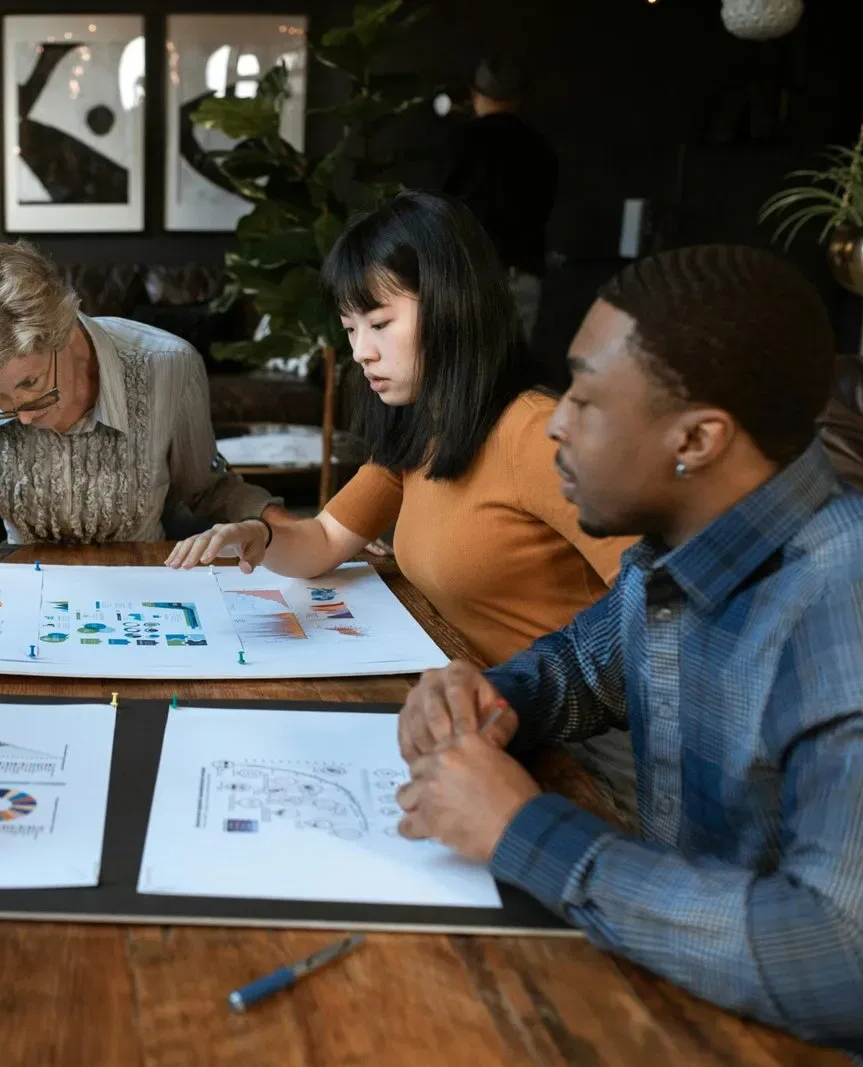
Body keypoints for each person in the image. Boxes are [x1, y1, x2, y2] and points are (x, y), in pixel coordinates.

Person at [394, 245, 863, 1056]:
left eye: (585, 396)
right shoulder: (676, 548)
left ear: (697, 438)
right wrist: (489, 696)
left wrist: (522, 828)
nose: (555, 421)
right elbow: (581, 668)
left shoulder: (846, 600)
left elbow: (842, 958)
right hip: (673, 987)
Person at [169, 192, 637, 809]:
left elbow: (659, 605)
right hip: (475, 708)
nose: (361, 350)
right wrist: (258, 533)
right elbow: (326, 541)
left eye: (380, 324)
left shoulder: (533, 431)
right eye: (350, 328)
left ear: (452, 306)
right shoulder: (423, 428)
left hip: (582, 742)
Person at [0, 241, 279, 544]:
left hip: (145, 594)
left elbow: (207, 488)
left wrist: (282, 526)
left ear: (61, 333)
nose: (22, 415)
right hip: (22, 595)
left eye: (30, 383)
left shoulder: (168, 365)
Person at [443, 55, 558, 338]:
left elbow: (440, 207)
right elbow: (544, 209)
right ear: (519, 98)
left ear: (474, 95)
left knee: (464, 367)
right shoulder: (540, 147)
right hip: (522, 271)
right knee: (514, 369)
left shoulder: (458, 142)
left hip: (468, 272)